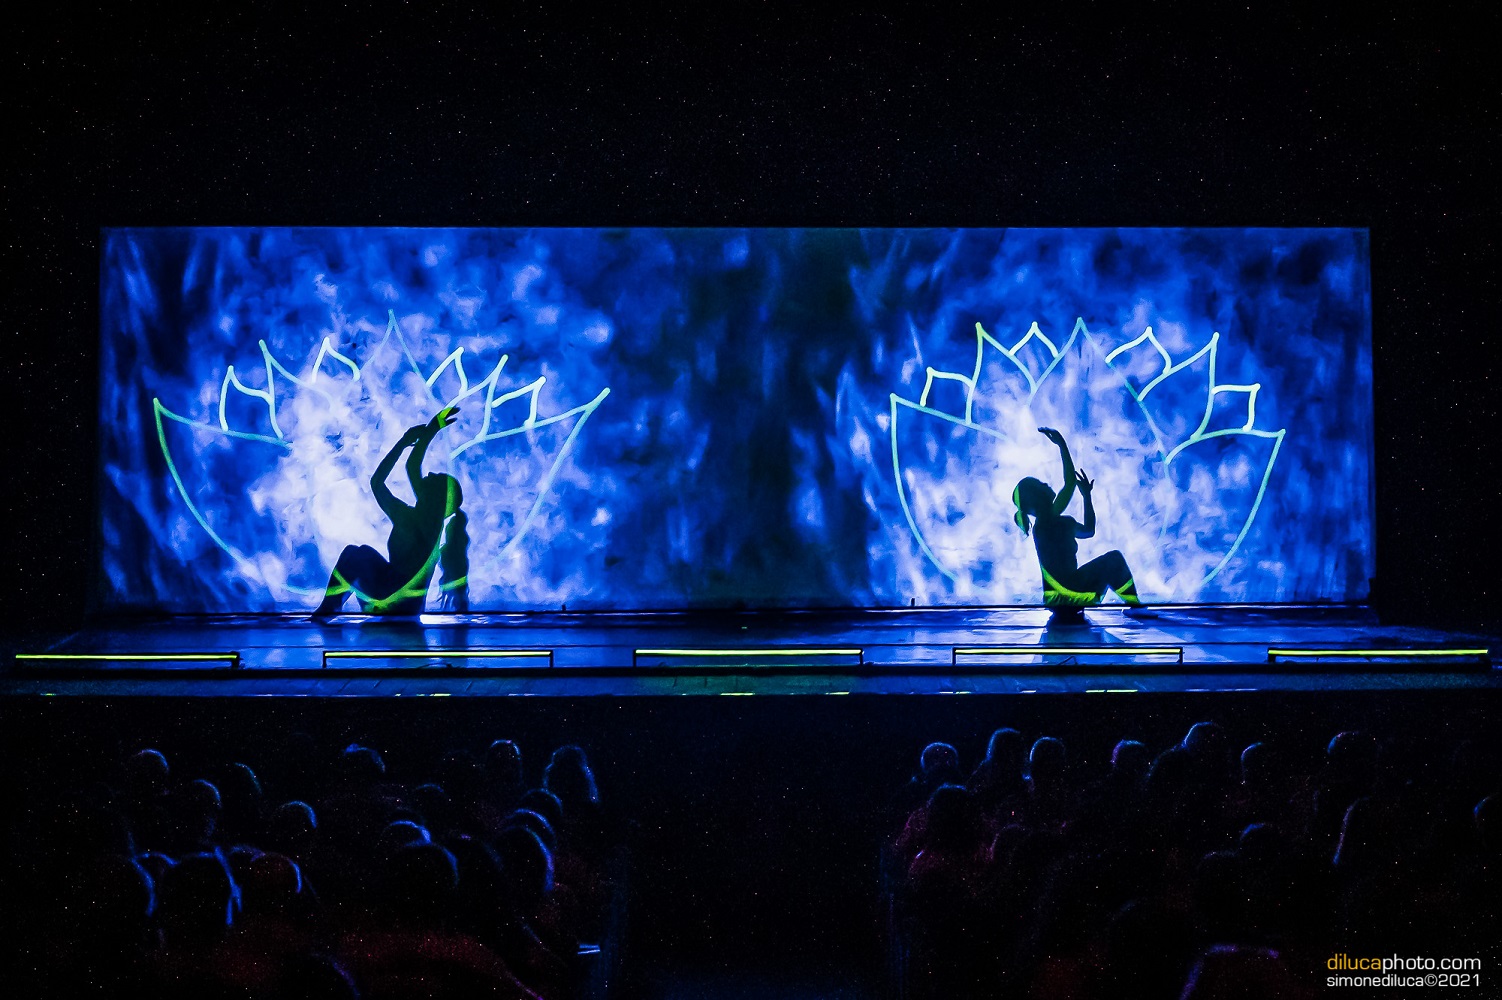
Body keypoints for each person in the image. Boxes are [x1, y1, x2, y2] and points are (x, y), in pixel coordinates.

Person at [312, 407, 468, 618]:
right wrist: (427, 432)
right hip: (401, 602)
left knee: (358, 554)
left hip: (396, 604)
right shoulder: (422, 520)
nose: (429, 473)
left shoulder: (421, 522)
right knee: (354, 552)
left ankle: (327, 610)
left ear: (436, 497)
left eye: (435, 477)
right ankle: (330, 608)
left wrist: (409, 440)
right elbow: (409, 468)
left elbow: (383, 480)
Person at [1012, 426, 1143, 614]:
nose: (1047, 484)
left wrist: (1086, 496)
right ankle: (1135, 606)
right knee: (1114, 559)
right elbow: (1088, 526)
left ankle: (1133, 605)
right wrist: (1062, 446)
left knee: (1110, 560)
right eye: (1042, 484)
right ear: (1037, 498)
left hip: (1056, 600)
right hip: (1071, 595)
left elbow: (1070, 487)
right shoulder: (1051, 524)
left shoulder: (1046, 525)